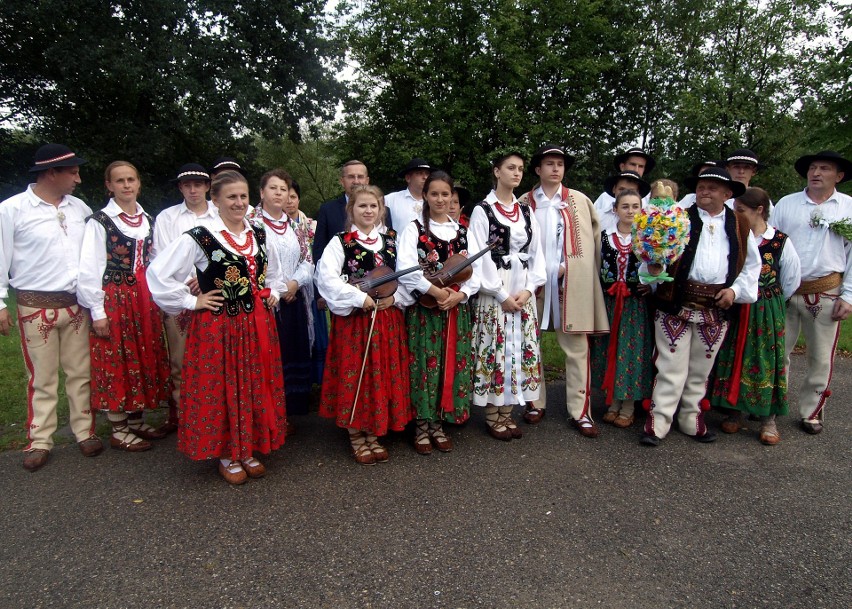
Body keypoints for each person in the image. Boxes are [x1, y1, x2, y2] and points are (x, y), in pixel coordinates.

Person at [147, 170, 286, 485]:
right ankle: (227, 452)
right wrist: (190, 301)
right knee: (223, 386)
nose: (238, 203)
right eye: (231, 197)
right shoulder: (201, 236)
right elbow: (157, 274)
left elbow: (272, 274)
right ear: (216, 200)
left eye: (243, 197)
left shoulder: (259, 233)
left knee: (251, 383)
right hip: (218, 328)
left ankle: (247, 446)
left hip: (256, 327)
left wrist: (272, 293)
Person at [640, 168, 760, 446]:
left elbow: (752, 265)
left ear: (727, 194)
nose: (705, 192)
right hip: (676, 302)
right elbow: (654, 253)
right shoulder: (678, 218)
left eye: (712, 188)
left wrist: (735, 290)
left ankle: (691, 419)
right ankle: (658, 422)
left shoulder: (740, 224)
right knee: (670, 366)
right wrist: (655, 266)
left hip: (716, 306)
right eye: (701, 187)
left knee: (701, 369)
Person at [0, 143, 102, 471]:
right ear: (51, 172)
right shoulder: (12, 210)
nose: (78, 178)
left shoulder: (79, 208)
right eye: (72, 172)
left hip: (75, 307)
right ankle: (40, 439)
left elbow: (91, 257)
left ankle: (84, 431)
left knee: (80, 373)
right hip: (34, 305)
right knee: (41, 378)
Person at [315, 185, 413, 464]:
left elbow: (407, 275)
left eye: (373, 206)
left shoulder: (393, 240)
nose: (368, 211)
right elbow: (328, 279)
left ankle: (374, 431)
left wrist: (395, 298)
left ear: (381, 210)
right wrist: (359, 298)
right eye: (362, 206)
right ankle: (357, 433)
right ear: (351, 210)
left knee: (380, 373)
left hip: (387, 320)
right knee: (357, 374)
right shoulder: (341, 242)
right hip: (356, 323)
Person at [77, 161, 170, 451]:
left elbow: (156, 259)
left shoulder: (148, 219)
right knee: (117, 357)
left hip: (144, 296)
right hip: (115, 297)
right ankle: (118, 428)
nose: (126, 185)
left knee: (144, 354)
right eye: (120, 181)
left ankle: (135, 419)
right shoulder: (99, 221)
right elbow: (90, 268)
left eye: (131, 179)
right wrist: (98, 312)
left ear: (139, 183)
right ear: (109, 185)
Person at [518, 143, 609, 435]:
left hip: (570, 284)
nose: (556, 169)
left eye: (560, 164)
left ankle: (580, 411)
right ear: (537, 170)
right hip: (533, 286)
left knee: (577, 349)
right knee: (530, 345)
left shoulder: (580, 201)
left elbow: (592, 245)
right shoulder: (523, 202)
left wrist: (577, 273)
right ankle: (534, 402)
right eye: (549, 164)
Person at [397, 171, 480, 454]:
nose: (441, 199)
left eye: (446, 194)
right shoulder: (414, 229)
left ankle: (440, 423)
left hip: (456, 309)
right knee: (424, 365)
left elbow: (476, 272)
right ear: (425, 196)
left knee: (450, 363)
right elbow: (406, 270)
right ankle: (422, 424)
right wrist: (437, 293)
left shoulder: (463, 232)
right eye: (435, 194)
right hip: (426, 311)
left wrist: (458, 295)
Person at [709, 187, 800, 444]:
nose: (736, 215)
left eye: (741, 211)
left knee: (766, 358)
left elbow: (791, 279)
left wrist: (769, 299)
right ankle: (734, 412)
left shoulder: (779, 241)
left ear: (759, 210)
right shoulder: (736, 235)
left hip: (766, 307)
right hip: (737, 305)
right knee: (734, 352)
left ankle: (767, 419)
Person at [770, 150, 852, 435]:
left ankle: (811, 412)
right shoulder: (786, 204)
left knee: (820, 357)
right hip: (784, 290)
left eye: (825, 168)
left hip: (826, 290)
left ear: (838, 176)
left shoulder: (848, 207)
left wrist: (849, 295)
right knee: (778, 352)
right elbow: (770, 243)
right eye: (813, 168)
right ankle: (771, 406)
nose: (816, 172)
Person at [468, 150, 545, 440]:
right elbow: (478, 256)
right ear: (497, 172)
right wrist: (501, 294)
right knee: (496, 348)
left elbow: (537, 255)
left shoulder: (526, 210)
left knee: (518, 347)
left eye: (521, 169)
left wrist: (529, 289)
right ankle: (492, 413)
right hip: (495, 288)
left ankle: (508, 411)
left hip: (522, 287)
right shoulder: (482, 210)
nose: (516, 173)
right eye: (510, 168)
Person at [150, 163, 218, 434]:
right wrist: (188, 284)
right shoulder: (167, 218)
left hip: (213, 294)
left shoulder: (218, 215)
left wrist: (205, 281)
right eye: (187, 185)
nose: (193, 189)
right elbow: (162, 258)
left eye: (198, 184)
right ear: (180, 187)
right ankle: (184, 415)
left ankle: (212, 413)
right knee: (181, 359)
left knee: (213, 359)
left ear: (207, 186)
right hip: (181, 294)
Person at [590, 189, 654, 428]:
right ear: (615, 210)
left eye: (635, 206)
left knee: (631, 352)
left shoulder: (648, 239)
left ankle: (628, 405)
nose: (630, 211)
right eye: (625, 206)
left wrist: (651, 287)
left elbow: (658, 271)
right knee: (610, 350)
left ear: (641, 209)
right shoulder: (604, 237)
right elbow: (595, 268)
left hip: (634, 306)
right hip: (609, 302)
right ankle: (613, 401)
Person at [255, 169, 315, 419]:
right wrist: (280, 289)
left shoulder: (293, 226)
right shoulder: (252, 224)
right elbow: (254, 262)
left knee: (293, 352)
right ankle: (271, 413)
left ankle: (293, 410)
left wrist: (294, 284)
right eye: (273, 188)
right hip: (267, 301)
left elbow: (307, 259)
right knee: (270, 356)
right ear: (261, 193)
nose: (279, 193)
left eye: (283, 189)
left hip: (294, 298)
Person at [286, 180, 326, 386]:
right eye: (286, 196)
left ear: (298, 199)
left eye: (293, 196)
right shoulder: (269, 227)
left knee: (316, 334)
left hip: (311, 287)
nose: (289, 201)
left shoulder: (312, 225)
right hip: (286, 288)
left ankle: (316, 381)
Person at [593, 147, 655, 217]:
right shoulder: (604, 198)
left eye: (641, 166)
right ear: (622, 166)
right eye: (633, 164)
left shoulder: (650, 199)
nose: (636, 170)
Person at [384, 158, 432, 231]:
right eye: (419, 173)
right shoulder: (390, 200)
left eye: (427, 174)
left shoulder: (434, 201)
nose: (425, 177)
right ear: (408, 178)